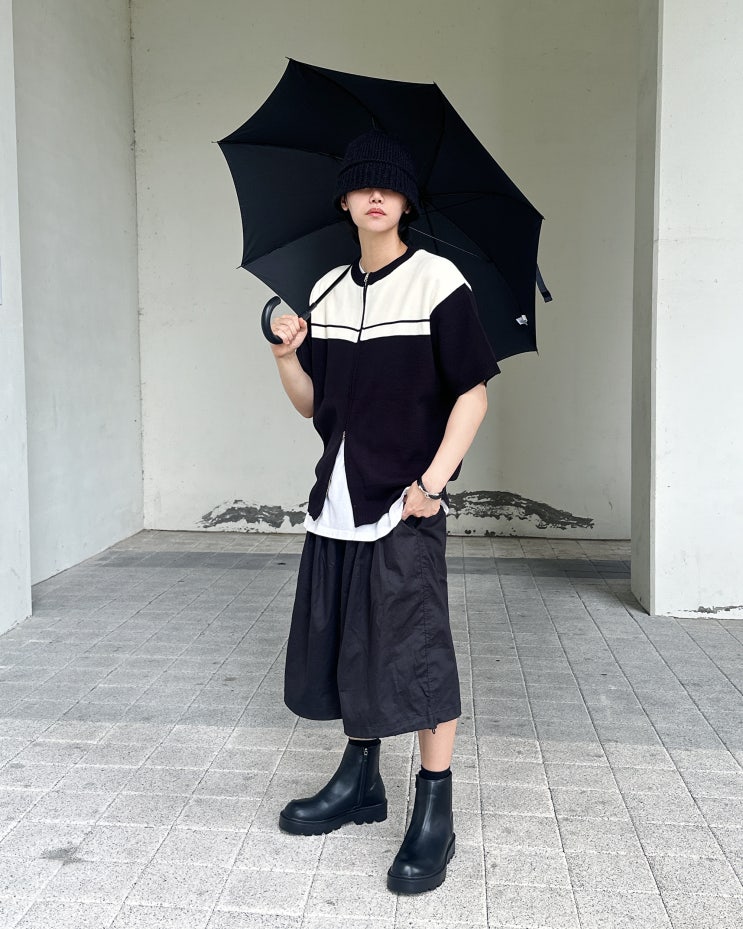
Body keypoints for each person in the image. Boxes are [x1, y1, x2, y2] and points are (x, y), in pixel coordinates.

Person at [269, 129, 500, 894]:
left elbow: (472, 393)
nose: (376, 195)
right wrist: (286, 356)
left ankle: (435, 810)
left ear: (405, 201)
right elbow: (315, 407)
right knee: (351, 643)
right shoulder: (328, 291)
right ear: (344, 199)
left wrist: (431, 482)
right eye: (363, 184)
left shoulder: (437, 281)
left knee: (418, 654)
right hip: (335, 504)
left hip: (402, 506)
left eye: (390, 185)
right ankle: (359, 780)